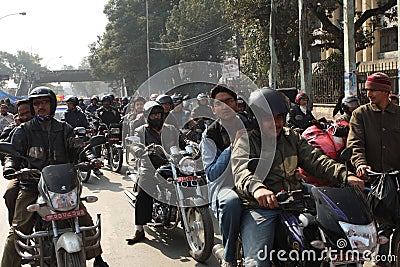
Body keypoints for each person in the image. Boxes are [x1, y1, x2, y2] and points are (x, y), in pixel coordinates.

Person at [231, 88, 364, 267]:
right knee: (257, 262)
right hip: (261, 208)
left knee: (334, 240)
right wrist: (258, 189)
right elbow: (241, 172)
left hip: (296, 200)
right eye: (269, 118)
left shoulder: (291, 137)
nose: (276, 123)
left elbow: (316, 160)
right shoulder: (247, 142)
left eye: (279, 117)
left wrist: (345, 175)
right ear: (256, 119)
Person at [1, 86, 108, 267]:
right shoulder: (24, 130)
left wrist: (91, 158)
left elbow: (78, 147)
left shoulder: (64, 128)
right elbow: (13, 153)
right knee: (18, 229)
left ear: (52, 104)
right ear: (33, 106)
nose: (41, 106)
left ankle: (97, 258)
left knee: (84, 219)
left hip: (61, 185)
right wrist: (11, 167)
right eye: (36, 103)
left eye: (44, 102)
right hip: (32, 184)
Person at [347, 72, 400, 267]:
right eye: (367, 90)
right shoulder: (360, 115)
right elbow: (355, 144)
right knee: (383, 224)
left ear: (387, 91)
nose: (369, 94)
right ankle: (382, 261)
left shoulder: (398, 114)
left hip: (397, 178)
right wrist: (360, 164)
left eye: (373, 90)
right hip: (375, 181)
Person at [126, 101, 185, 244]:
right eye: (153, 115)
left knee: (189, 180)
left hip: (171, 163)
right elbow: (134, 144)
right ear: (147, 116)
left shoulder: (171, 129)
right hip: (149, 165)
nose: (156, 117)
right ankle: (139, 229)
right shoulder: (141, 130)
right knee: (144, 190)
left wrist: (190, 145)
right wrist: (139, 150)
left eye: (158, 114)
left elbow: (183, 141)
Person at [201, 85, 246, 267]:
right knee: (232, 202)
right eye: (219, 103)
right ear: (213, 109)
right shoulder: (210, 135)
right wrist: (231, 148)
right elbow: (211, 173)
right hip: (225, 186)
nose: (225, 106)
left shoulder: (250, 124)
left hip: (255, 181)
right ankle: (229, 258)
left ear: (236, 104)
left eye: (229, 101)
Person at [1, 99, 34, 226]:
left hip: (51, 176)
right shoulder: (15, 128)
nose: (25, 117)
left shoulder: (50, 126)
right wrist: (10, 168)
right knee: (10, 193)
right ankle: (14, 227)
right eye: (22, 114)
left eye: (28, 113)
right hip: (24, 174)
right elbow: (7, 149)